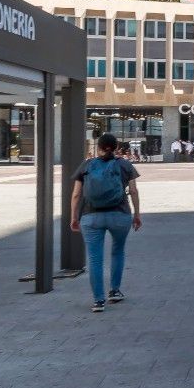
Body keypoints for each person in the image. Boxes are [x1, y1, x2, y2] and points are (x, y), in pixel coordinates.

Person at [71, 132, 142, 314]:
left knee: (95, 259)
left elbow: (76, 194)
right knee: (118, 251)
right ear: (117, 147)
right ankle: (115, 291)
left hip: (90, 217)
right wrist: (137, 215)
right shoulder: (125, 165)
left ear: (98, 147)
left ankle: (98, 300)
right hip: (120, 215)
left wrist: (74, 217)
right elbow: (133, 191)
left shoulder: (87, 165)